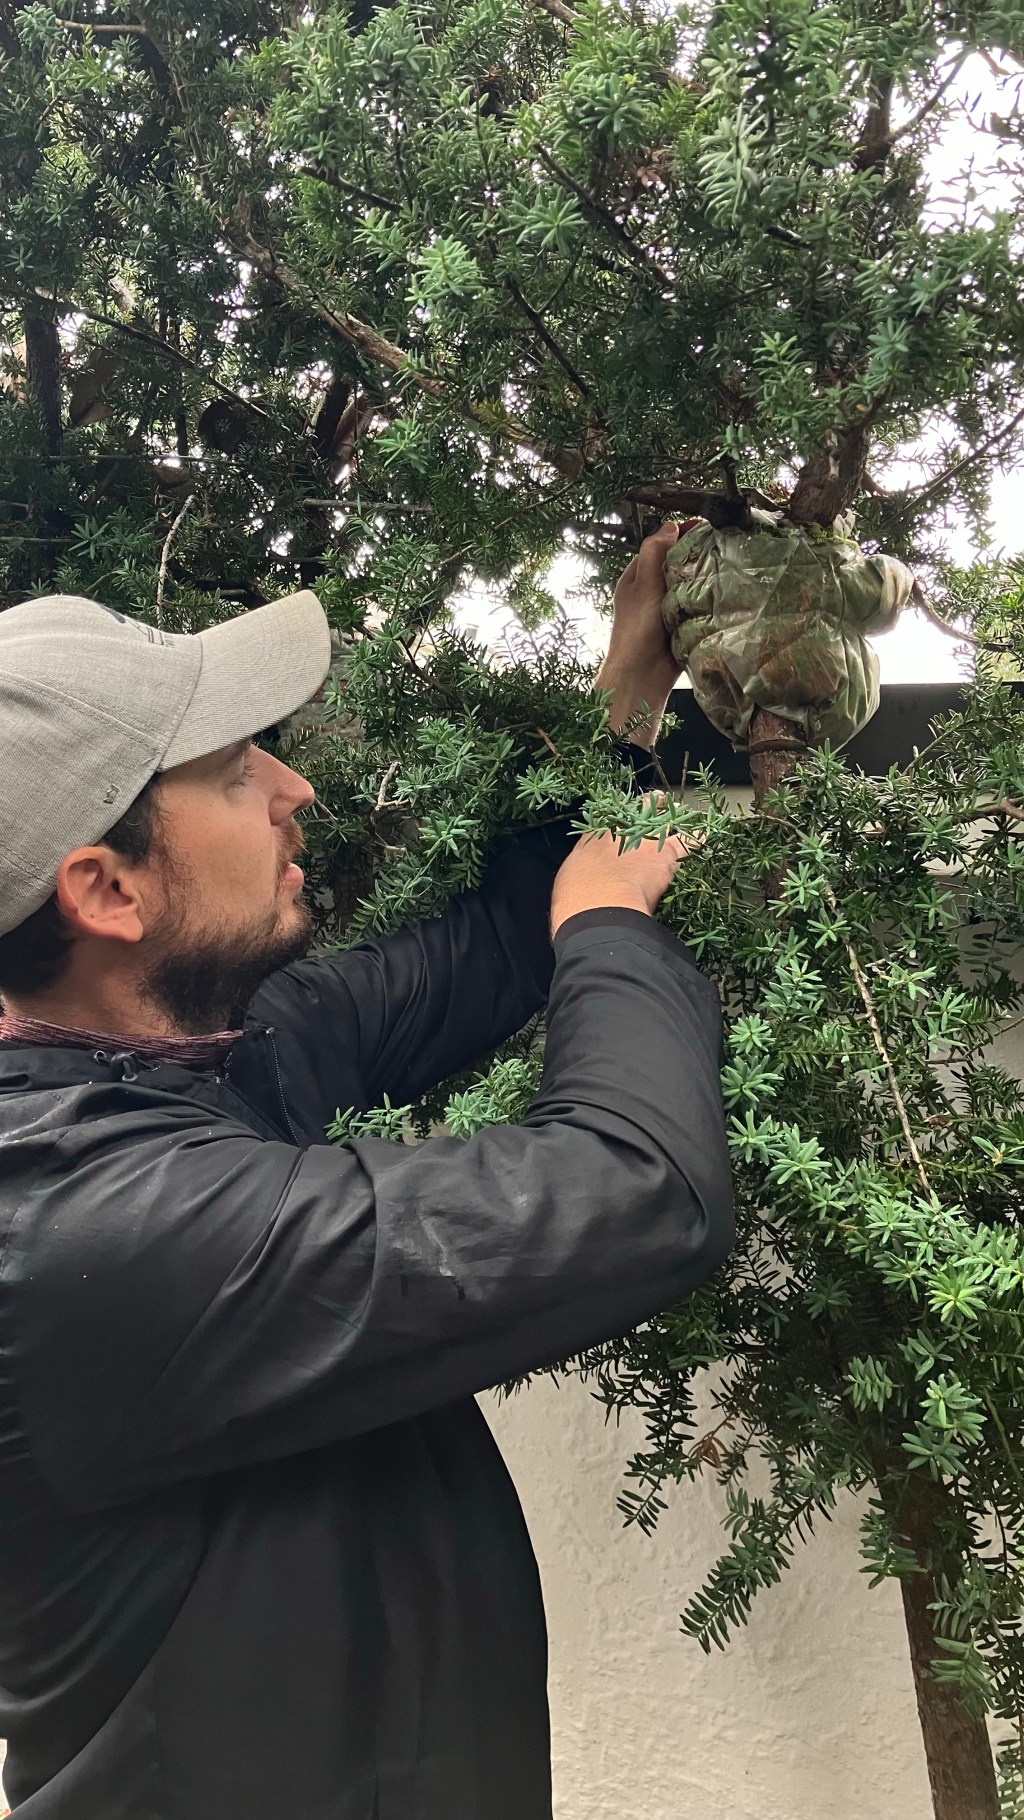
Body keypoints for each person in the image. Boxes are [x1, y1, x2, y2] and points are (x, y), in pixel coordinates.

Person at [0, 523, 733, 1820]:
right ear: (107, 889)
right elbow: (636, 1188)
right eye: (231, 773)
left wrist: (629, 698)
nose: (297, 789)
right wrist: (614, 925)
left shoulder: (186, 1063)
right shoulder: (75, 1229)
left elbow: (495, 945)